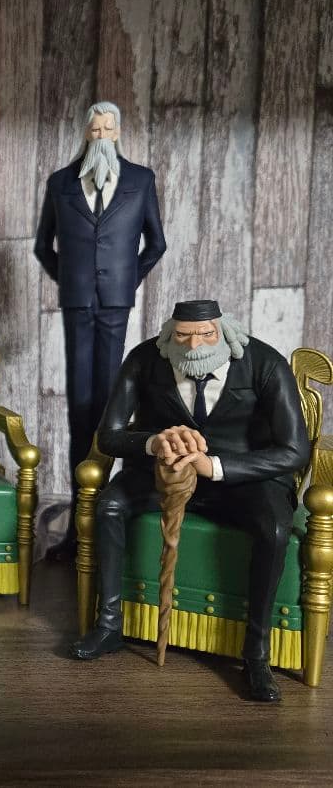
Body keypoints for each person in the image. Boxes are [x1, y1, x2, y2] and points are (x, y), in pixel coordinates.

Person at [68, 300, 310, 702]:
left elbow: (294, 451)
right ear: (169, 335)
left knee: (274, 528)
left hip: (244, 478)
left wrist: (212, 466)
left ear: (224, 332)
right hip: (165, 472)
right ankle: (109, 626)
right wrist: (153, 442)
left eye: (206, 335)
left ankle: (256, 653)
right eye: (182, 336)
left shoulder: (266, 363)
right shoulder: (144, 359)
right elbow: (109, 436)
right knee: (108, 505)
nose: (194, 345)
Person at [33, 100, 168, 560]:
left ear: (119, 133)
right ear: (84, 133)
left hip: (115, 303)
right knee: (78, 409)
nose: (102, 137)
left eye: (109, 130)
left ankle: (108, 520)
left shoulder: (140, 180)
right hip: (77, 304)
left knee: (109, 407)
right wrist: (73, 282)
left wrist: (125, 281)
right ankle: (78, 526)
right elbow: (44, 247)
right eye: (95, 130)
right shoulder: (60, 183)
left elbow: (156, 243)